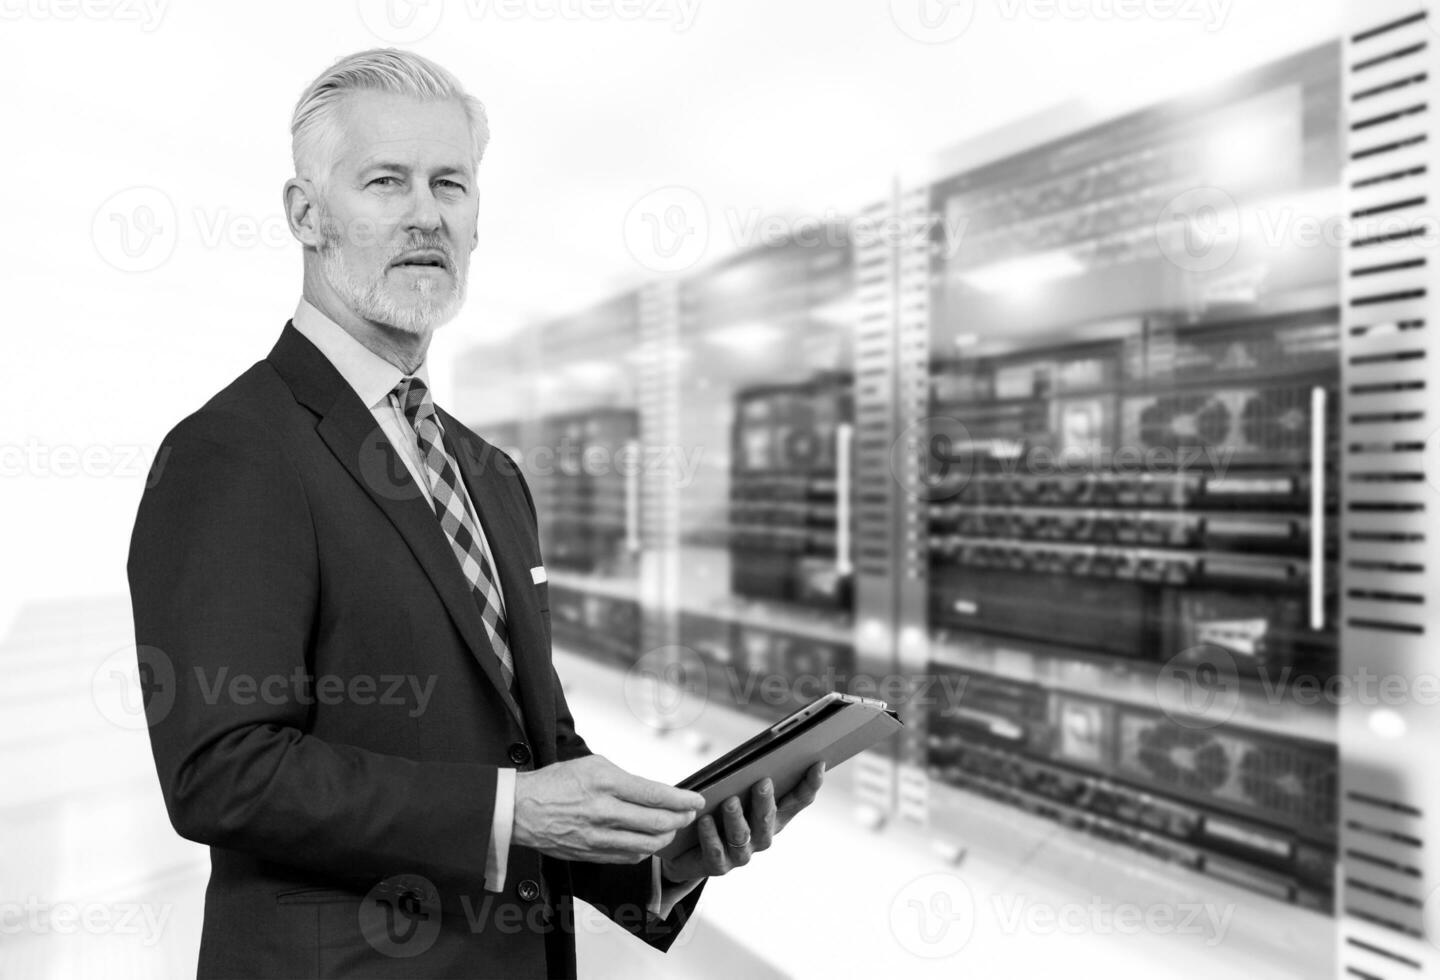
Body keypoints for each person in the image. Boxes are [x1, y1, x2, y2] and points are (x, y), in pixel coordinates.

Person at [126, 47, 825, 979]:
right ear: (306, 215)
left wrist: (671, 844)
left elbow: (539, 756)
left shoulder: (486, 471)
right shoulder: (234, 452)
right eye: (386, 181)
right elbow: (224, 771)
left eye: (450, 184)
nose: (426, 214)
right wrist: (509, 812)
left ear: (477, 220)